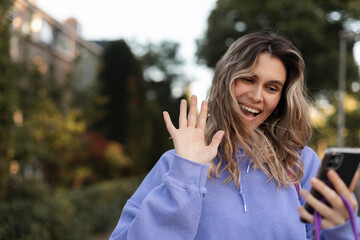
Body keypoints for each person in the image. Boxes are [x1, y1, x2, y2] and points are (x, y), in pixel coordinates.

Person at [109, 31, 359, 240]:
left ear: (281, 99)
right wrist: (185, 175)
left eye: (272, 88)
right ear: (226, 78)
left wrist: (342, 228)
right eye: (248, 79)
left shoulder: (301, 164)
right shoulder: (176, 164)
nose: (257, 96)